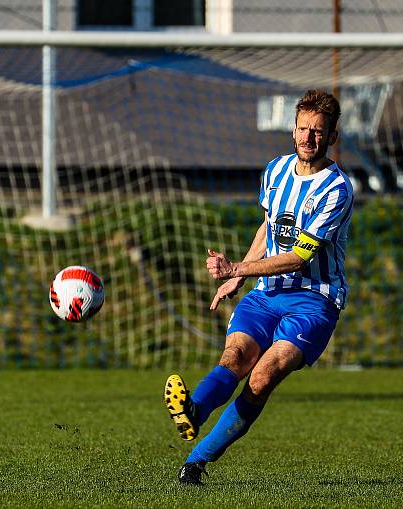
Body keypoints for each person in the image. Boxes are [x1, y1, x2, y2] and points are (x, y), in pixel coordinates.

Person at [164, 89, 354, 485]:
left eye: (318, 132)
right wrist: (239, 277)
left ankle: (196, 462)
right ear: (294, 129)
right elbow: (269, 227)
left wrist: (239, 266)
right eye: (303, 129)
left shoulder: (336, 189)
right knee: (235, 357)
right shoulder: (275, 170)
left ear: (332, 137)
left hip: (313, 302)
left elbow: (300, 257)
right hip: (266, 295)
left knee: (262, 376)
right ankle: (194, 412)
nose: (308, 138)